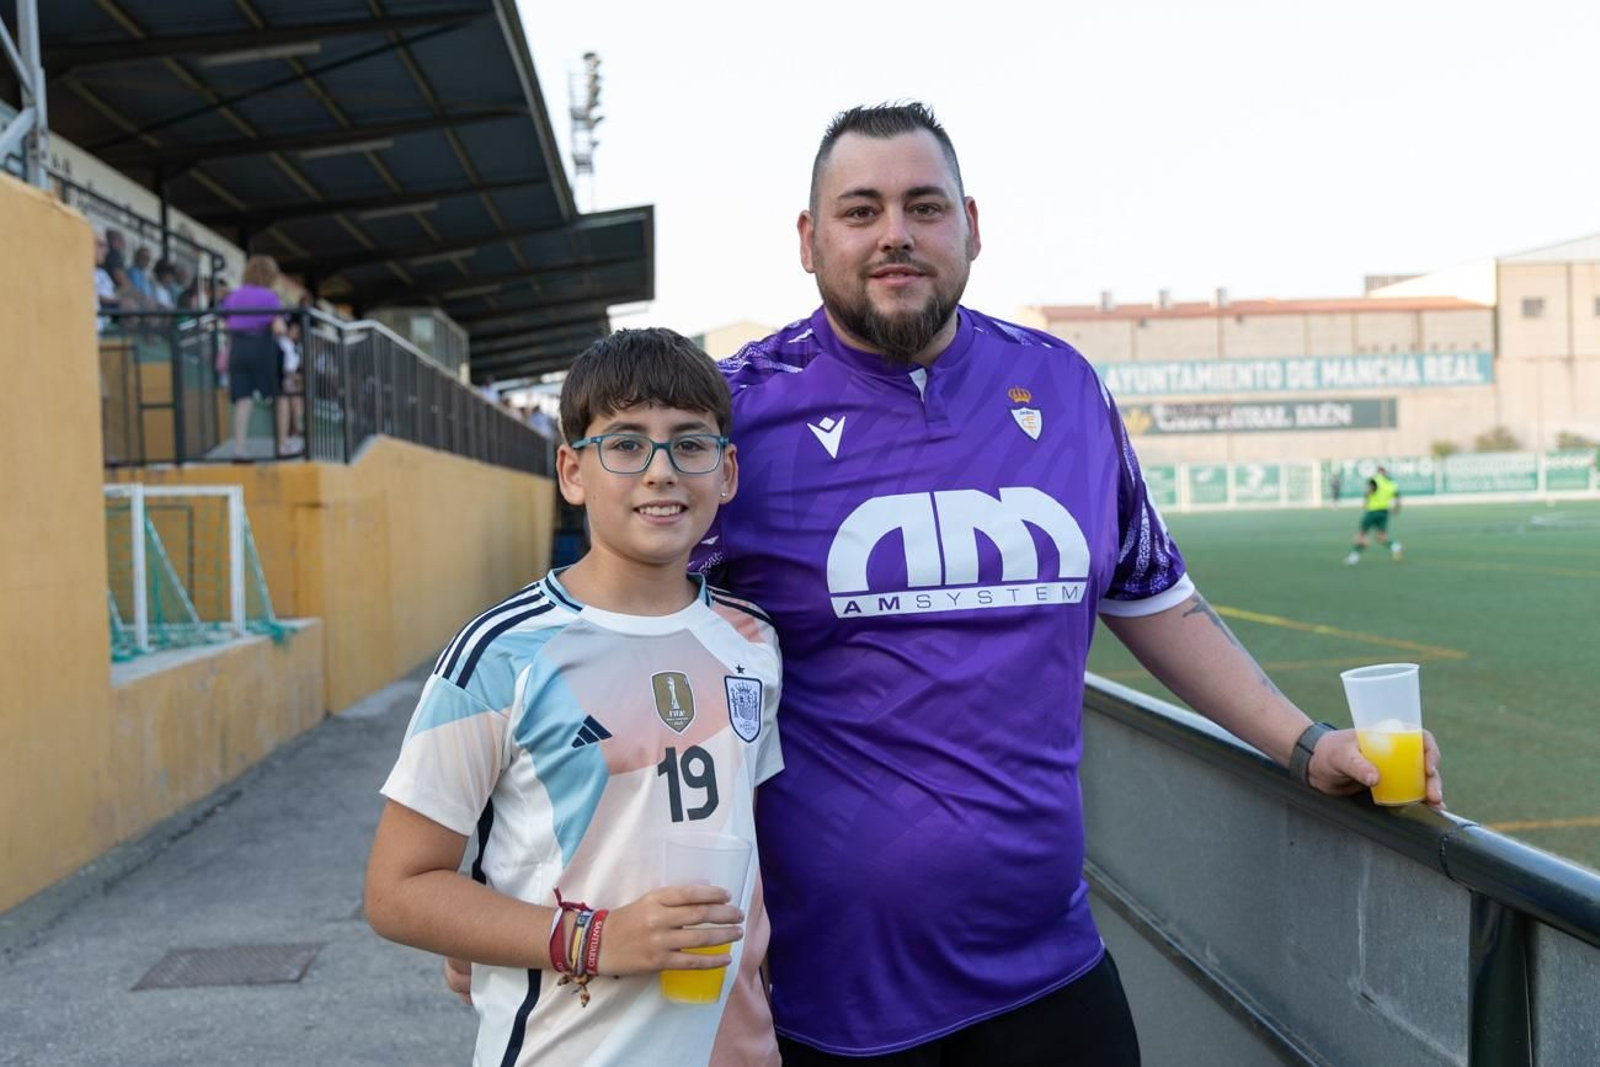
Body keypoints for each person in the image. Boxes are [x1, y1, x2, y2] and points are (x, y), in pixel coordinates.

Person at [679, 102, 1443, 1064]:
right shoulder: (732, 409)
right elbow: (621, 646)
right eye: (860, 210)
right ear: (808, 237)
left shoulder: (1067, 386)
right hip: (830, 998)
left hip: (1050, 970)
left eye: (924, 206)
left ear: (972, 225)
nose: (896, 236)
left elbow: (1158, 598)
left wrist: (1306, 743)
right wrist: (546, 883)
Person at [368, 328, 784, 1066]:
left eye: (689, 444)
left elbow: (747, 845)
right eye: (625, 444)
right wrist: (592, 938)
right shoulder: (503, 653)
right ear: (572, 471)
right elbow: (398, 888)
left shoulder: (752, 641)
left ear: (726, 473)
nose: (661, 471)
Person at [218, 256, 292, 460]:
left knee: (243, 398)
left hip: (238, 349)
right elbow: (279, 327)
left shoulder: (233, 296)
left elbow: (225, 322)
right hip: (264, 347)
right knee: (280, 395)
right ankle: (282, 445)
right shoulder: (270, 296)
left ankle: (239, 448)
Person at [1346, 466, 1402, 565]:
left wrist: (1365, 501)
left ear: (1378, 472)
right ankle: (1395, 546)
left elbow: (1369, 491)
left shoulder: (1374, 480)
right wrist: (1396, 509)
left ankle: (1354, 556)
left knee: (1360, 535)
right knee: (1381, 538)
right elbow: (1397, 498)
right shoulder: (1391, 484)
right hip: (1384, 512)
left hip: (1372, 512)